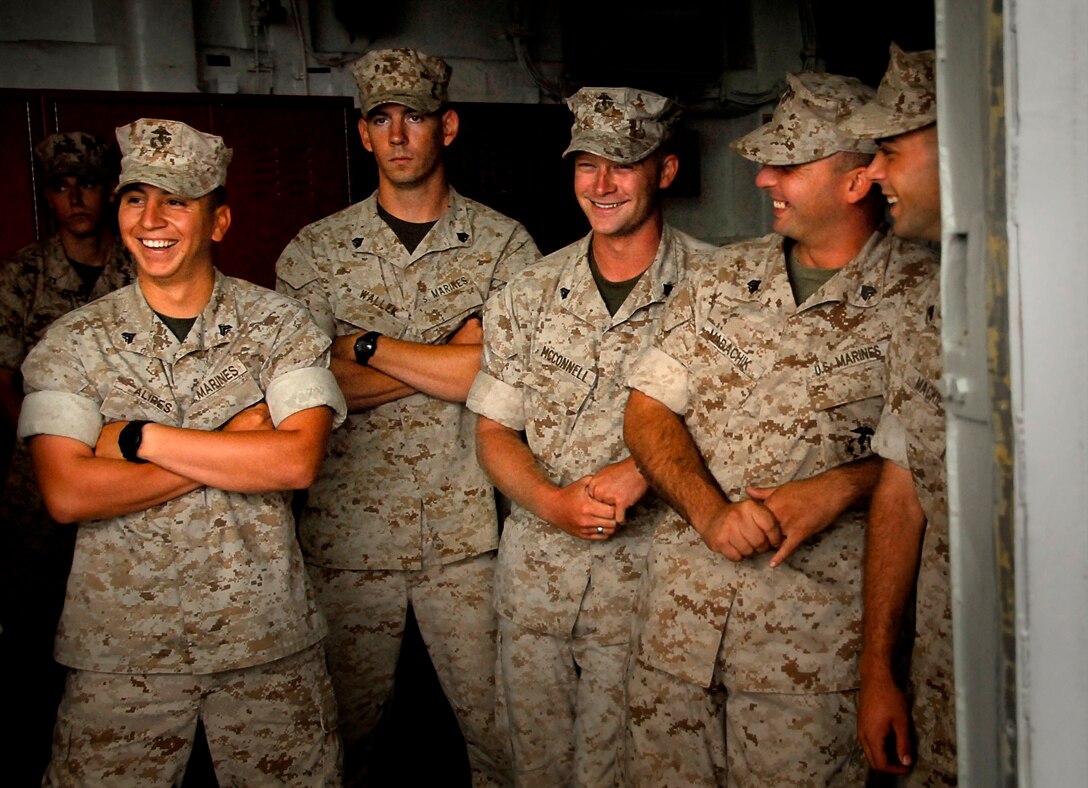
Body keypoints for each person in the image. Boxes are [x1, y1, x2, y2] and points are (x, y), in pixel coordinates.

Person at [621, 72, 940, 786]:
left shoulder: (925, 294)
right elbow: (646, 409)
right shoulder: (720, 279)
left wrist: (840, 487)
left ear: (858, 180)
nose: (764, 177)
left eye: (789, 165)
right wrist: (708, 514)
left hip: (812, 659)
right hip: (678, 638)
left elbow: (930, 460)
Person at [18, 118, 346, 785]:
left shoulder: (283, 326)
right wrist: (231, 446)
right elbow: (68, 493)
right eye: (136, 197)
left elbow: (293, 462)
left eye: (177, 199)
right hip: (122, 655)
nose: (152, 218)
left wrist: (134, 441)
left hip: (265, 644)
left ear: (219, 221)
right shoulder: (70, 343)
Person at [275, 47, 539, 785]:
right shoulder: (317, 252)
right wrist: (443, 361)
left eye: (414, 117)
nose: (397, 135)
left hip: (465, 536)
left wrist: (360, 346)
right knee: (336, 744)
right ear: (361, 133)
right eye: (379, 118)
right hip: (346, 539)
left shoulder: (505, 245)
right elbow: (303, 390)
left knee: (502, 738)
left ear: (446, 126)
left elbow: (503, 375)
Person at [466, 86, 713, 786]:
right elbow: (494, 432)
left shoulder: (718, 290)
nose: (602, 185)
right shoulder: (528, 292)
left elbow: (742, 430)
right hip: (535, 589)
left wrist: (645, 470)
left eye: (624, 164)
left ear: (664, 171)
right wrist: (550, 504)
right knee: (535, 770)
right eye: (587, 163)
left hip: (651, 590)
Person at [0, 130, 135, 782]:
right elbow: (5, 381)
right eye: (61, 185)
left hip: (129, 480)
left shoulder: (139, 269)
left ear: (110, 190)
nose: (76, 196)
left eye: (87, 182)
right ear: (48, 195)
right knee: (36, 638)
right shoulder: (23, 276)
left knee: (127, 636)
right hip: (42, 496)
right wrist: (53, 450)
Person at [842, 45, 956, 785]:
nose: (873, 173)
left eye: (888, 150)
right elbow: (905, 482)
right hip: (947, 677)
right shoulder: (930, 299)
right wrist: (880, 668)